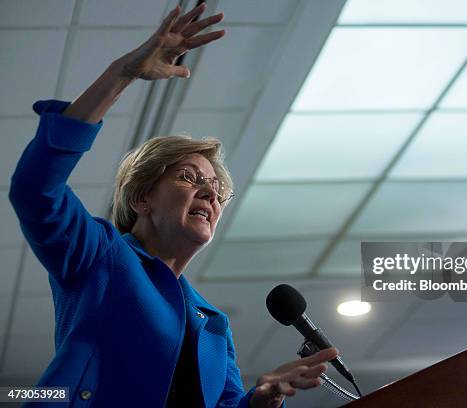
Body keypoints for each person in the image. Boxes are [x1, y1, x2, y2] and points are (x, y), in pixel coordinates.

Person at [9, 3, 337, 407]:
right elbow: (35, 188)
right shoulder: (101, 255)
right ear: (141, 198)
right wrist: (122, 74)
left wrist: (261, 399)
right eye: (189, 178)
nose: (210, 193)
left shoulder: (213, 323)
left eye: (217, 189)